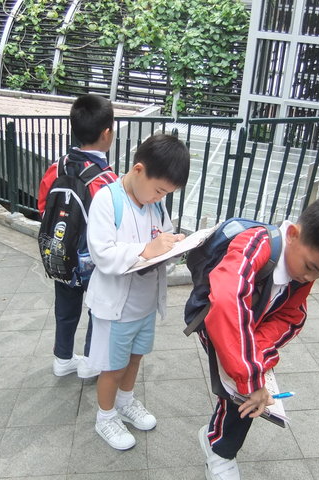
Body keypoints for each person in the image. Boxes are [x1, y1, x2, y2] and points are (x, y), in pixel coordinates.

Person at [197, 195, 319, 480]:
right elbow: (227, 304)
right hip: (213, 318)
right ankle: (219, 449)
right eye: (311, 267)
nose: (310, 279)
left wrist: (257, 356)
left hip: (251, 326)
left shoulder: (301, 272)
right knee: (243, 390)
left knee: (246, 386)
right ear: (293, 234)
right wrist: (250, 376)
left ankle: (218, 438)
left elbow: (291, 317)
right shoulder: (255, 245)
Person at [85, 134, 190, 450]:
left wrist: (174, 246)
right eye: (159, 190)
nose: (160, 198)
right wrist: (146, 249)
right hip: (117, 309)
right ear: (139, 169)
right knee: (112, 366)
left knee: (135, 358)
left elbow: (163, 236)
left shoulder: (154, 205)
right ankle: (105, 417)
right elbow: (102, 253)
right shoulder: (108, 200)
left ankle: (126, 402)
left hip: (144, 305)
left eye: (166, 194)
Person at [37, 94, 117, 379]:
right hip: (93, 262)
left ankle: (63, 358)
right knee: (98, 310)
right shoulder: (107, 180)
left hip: (60, 254)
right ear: (107, 133)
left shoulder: (56, 167)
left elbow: (43, 206)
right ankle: (91, 363)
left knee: (65, 307)